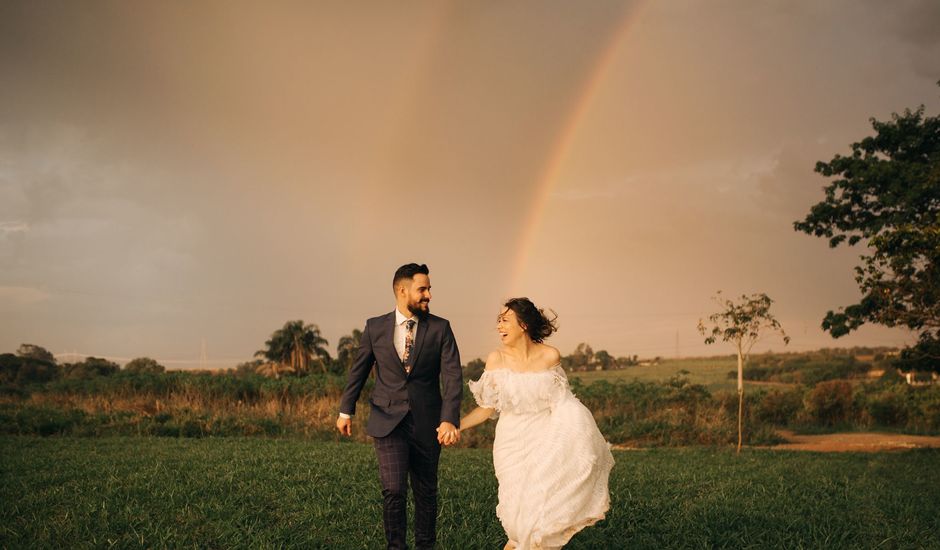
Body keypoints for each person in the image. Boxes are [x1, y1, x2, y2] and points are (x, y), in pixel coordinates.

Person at [461, 298, 613, 550]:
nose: (499, 325)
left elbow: (564, 403)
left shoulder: (550, 356)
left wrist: (581, 440)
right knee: (518, 522)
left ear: (523, 324)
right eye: (498, 320)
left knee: (541, 518)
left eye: (505, 320)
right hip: (511, 445)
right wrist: (457, 425)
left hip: (545, 442)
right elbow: (487, 408)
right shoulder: (496, 359)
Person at [336, 263, 463, 550]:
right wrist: (346, 410)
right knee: (393, 490)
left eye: (429, 289)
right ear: (402, 290)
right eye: (423, 289)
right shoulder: (375, 327)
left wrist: (449, 419)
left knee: (425, 492)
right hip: (387, 420)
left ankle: (425, 547)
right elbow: (358, 370)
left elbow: (453, 376)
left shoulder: (441, 328)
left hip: (428, 422)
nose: (428, 294)